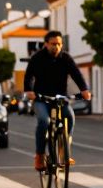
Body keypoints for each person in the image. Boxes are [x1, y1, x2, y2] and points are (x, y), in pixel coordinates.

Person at [23, 30, 91, 171]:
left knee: (70, 117)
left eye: (59, 44)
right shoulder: (37, 58)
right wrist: (29, 91)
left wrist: (84, 90)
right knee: (44, 121)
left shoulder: (65, 58)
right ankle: (40, 155)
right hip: (41, 98)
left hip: (60, 98)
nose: (57, 47)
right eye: (53, 44)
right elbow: (29, 75)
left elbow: (76, 74)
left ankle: (64, 151)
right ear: (46, 44)